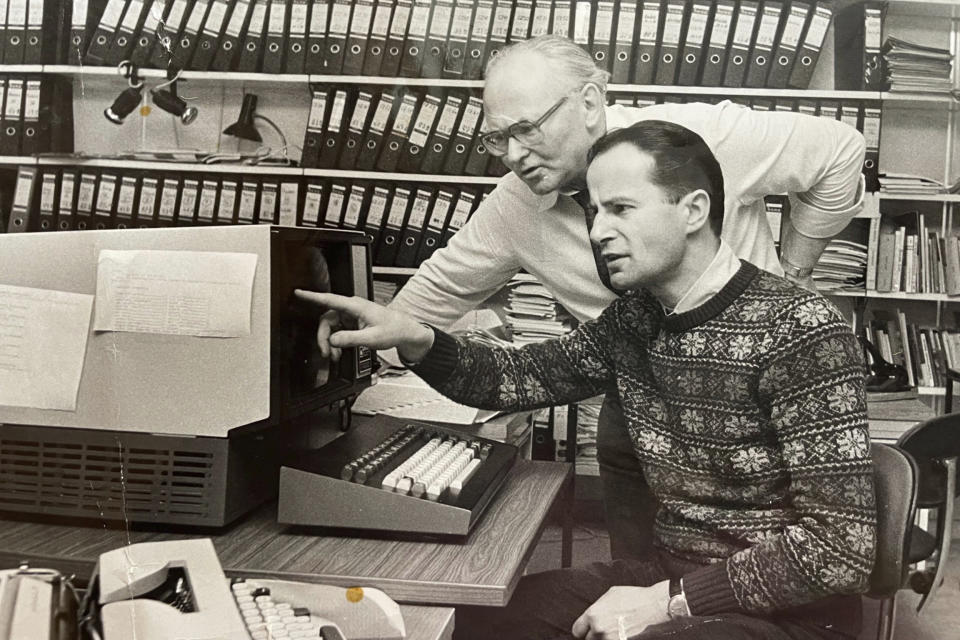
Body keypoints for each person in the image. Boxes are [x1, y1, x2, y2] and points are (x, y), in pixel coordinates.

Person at [297, 120, 876, 640]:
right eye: (594, 212)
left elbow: (839, 550)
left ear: (693, 210)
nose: (598, 230)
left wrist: (668, 603)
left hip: (794, 615)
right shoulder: (637, 317)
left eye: (621, 208)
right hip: (675, 578)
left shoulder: (800, 329)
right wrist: (418, 337)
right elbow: (519, 377)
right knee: (477, 623)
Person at [323, 34, 868, 562]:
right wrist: (362, 340)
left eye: (527, 128)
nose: (513, 154)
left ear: (589, 102)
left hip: (755, 387)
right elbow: (459, 322)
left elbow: (841, 151)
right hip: (636, 392)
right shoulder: (527, 215)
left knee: (741, 563)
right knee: (638, 574)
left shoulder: (695, 140)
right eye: (496, 139)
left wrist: (792, 278)